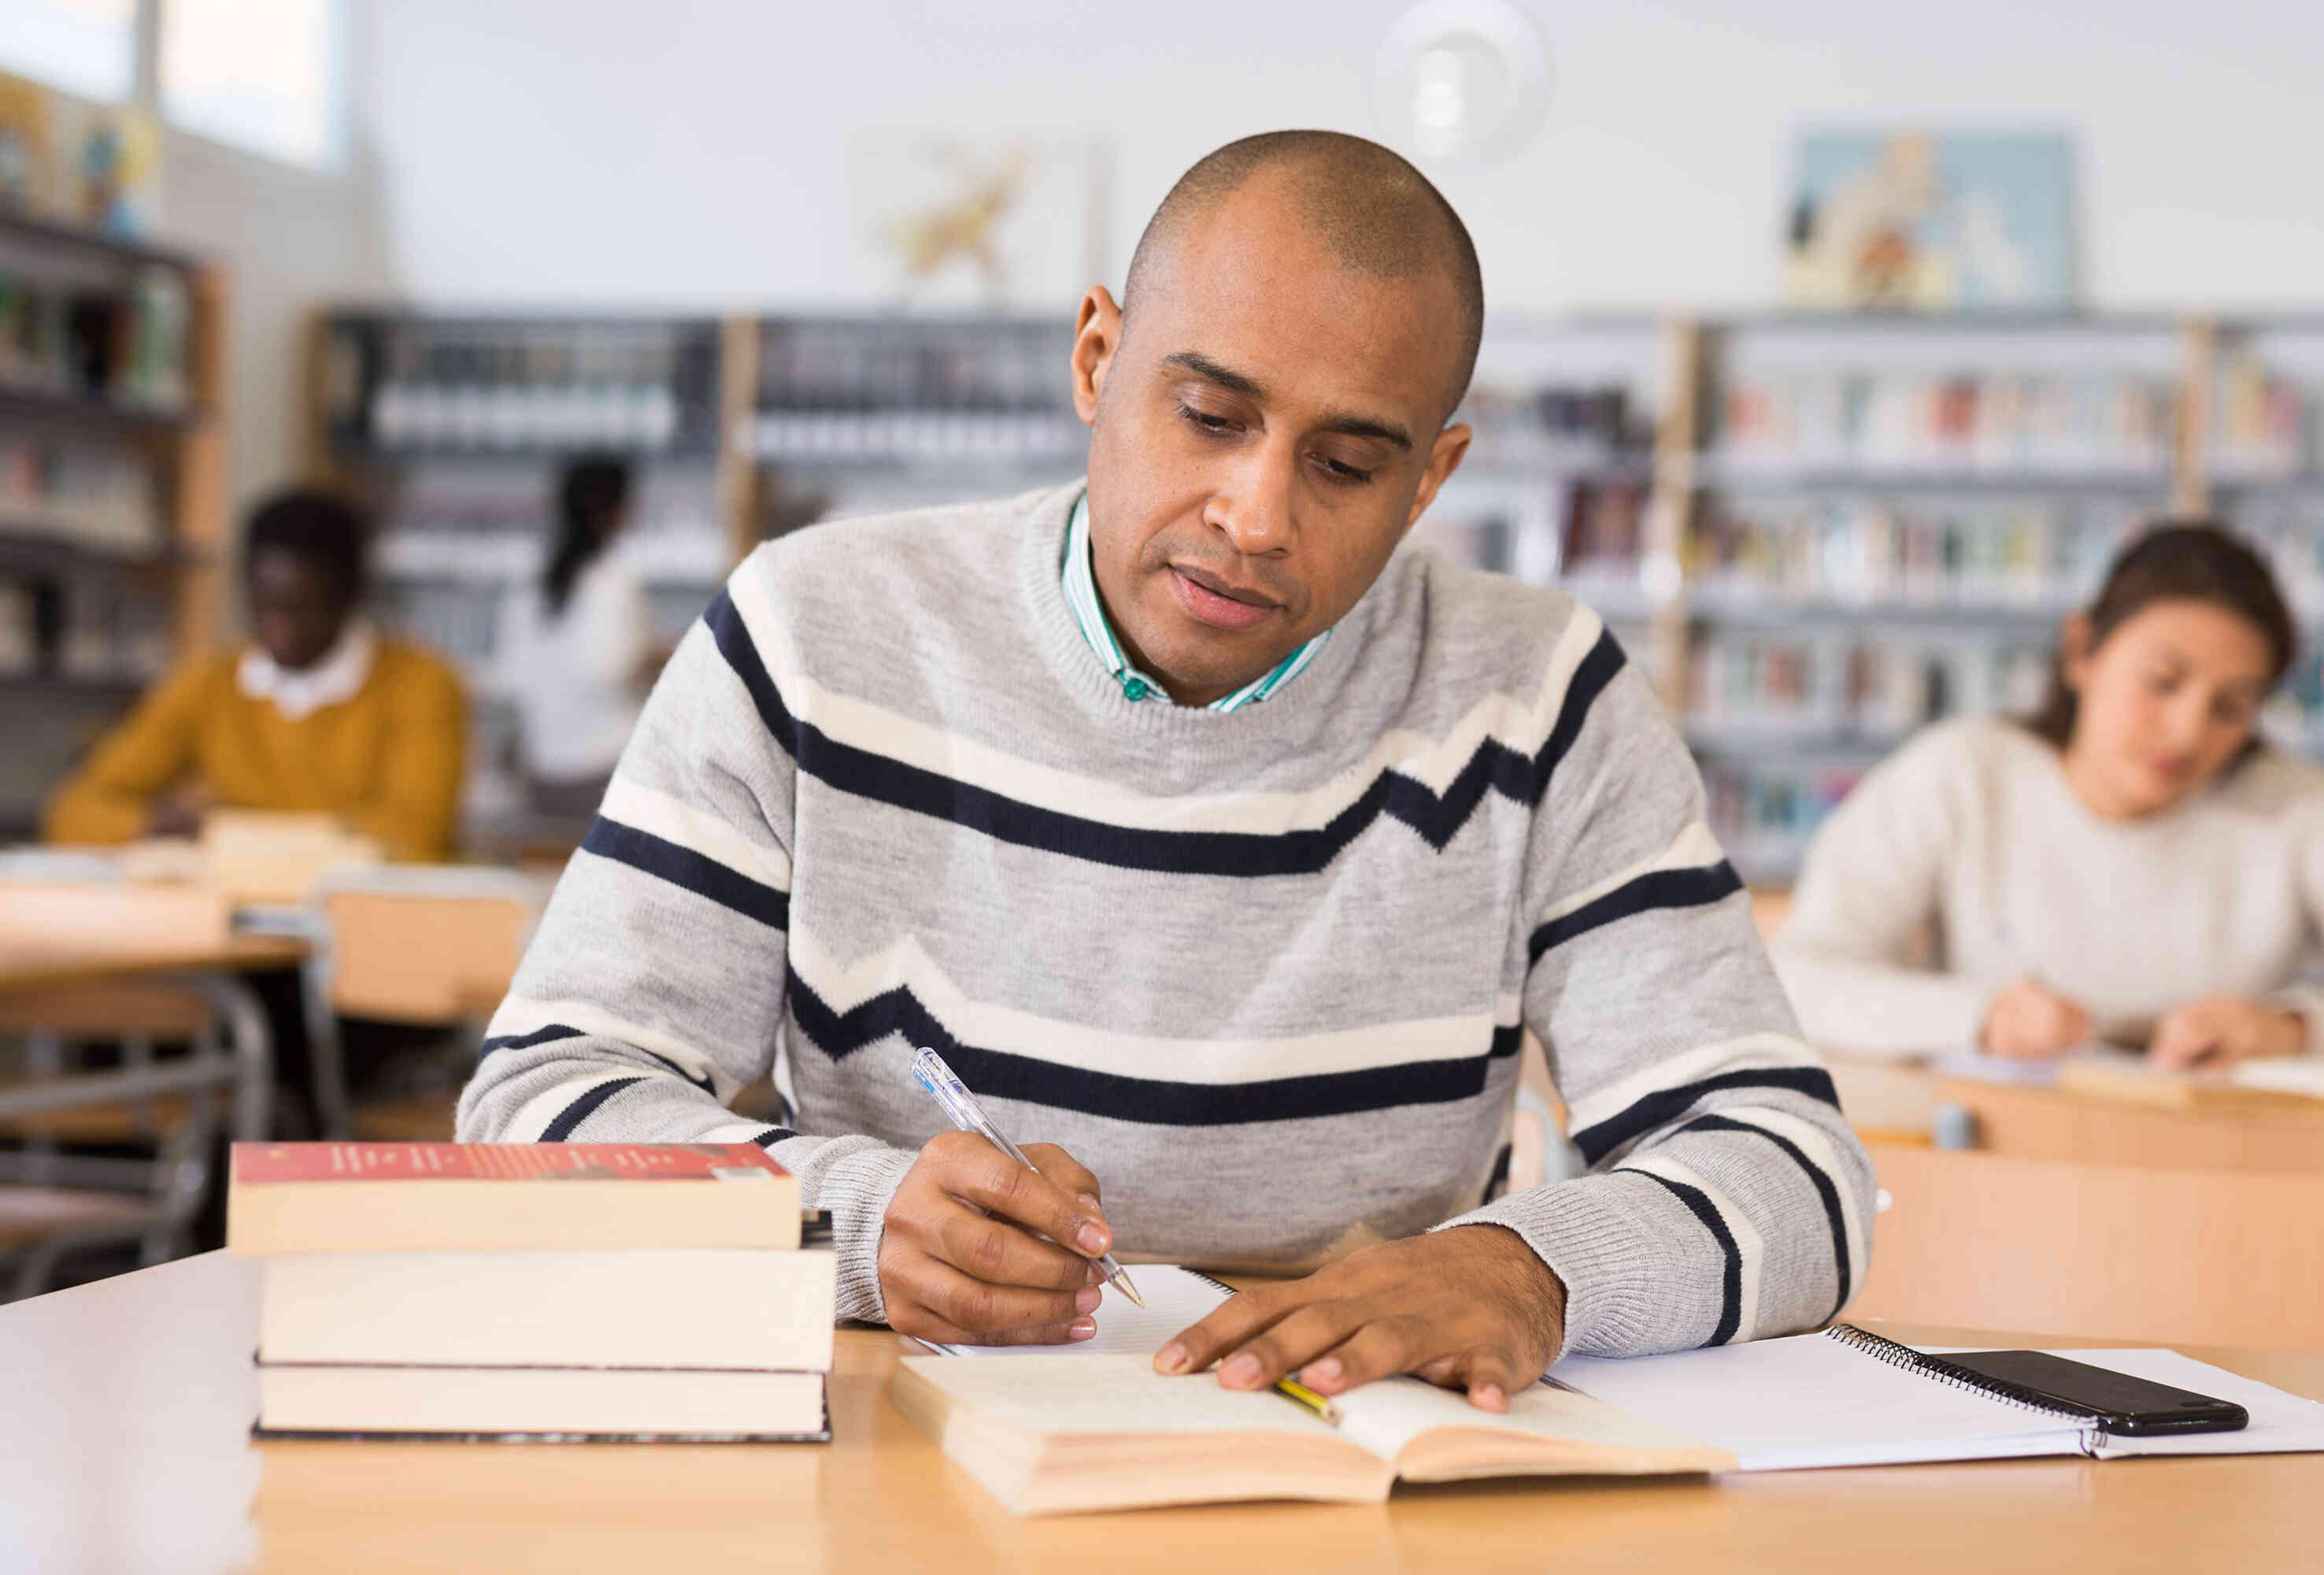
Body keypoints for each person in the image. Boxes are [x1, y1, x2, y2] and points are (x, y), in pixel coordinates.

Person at [462, 131, 1870, 1413]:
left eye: (1343, 465)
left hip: (1357, 1475)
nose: (1253, 516)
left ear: (1429, 479)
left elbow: (1799, 1177)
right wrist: (850, 1218)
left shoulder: (1539, 695)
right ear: (1095, 361)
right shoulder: (815, 636)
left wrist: (1529, 1271)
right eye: (1208, 416)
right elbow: (535, 1108)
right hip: (906, 1456)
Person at [1771, 523, 2324, 1074]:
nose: (2187, 730)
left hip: (2216, 1173)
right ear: (2081, 652)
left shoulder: (2297, 814)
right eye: (2161, 682)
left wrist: (2299, 1029)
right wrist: (1978, 1015)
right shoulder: (1962, 775)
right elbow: (1798, 977)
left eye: (2230, 706)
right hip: (1994, 1145)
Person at [44, 487, 468, 862]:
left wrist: (219, 831)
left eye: (301, 608)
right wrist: (153, 825)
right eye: (264, 607)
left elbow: (413, 836)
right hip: (234, 935)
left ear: (350, 597)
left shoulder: (421, 684)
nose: (278, 630)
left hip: (368, 931)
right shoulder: (209, 682)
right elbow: (74, 812)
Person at [500, 455, 658, 822]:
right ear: (615, 510)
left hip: (541, 773)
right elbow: (613, 667)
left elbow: (512, 677)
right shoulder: (613, 582)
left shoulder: (530, 584)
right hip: (607, 772)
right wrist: (658, 656)